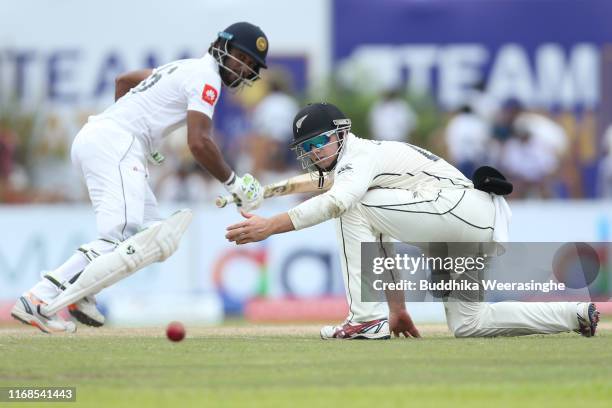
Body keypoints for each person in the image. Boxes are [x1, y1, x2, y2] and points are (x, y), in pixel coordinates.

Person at [225, 102, 600, 340]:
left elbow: (338, 197)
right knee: (469, 322)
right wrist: (267, 191)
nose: (312, 153)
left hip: (457, 209)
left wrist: (268, 226)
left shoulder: (361, 153)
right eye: (304, 149)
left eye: (317, 142)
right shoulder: (354, 162)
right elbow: (330, 185)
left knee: (351, 205)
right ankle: (575, 314)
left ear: (341, 133)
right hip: (470, 223)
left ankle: (364, 320)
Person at [12, 22, 269, 333]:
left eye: (251, 66)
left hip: (108, 138)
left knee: (151, 238)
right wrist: (234, 183)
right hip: (116, 143)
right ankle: (38, 298)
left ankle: (83, 293)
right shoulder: (206, 78)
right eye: (241, 58)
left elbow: (124, 80)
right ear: (222, 47)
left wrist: (139, 134)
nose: (243, 69)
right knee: (120, 236)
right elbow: (199, 142)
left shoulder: (183, 67)